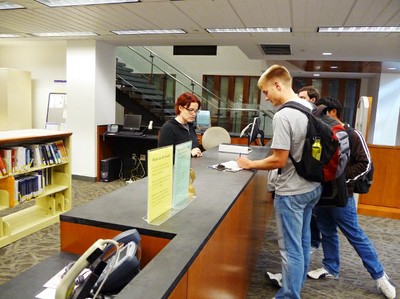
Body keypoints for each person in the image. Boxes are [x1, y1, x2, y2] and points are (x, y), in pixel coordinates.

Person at [237, 65, 322, 299]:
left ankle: (289, 295)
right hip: (312, 186)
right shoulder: (310, 107)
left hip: (292, 192)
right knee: (303, 242)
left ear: (277, 85)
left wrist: (251, 164)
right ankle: (296, 286)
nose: (266, 98)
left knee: (290, 249)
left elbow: (279, 159)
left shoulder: (284, 114)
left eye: (266, 92)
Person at [307, 97, 396, 299]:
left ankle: (380, 276)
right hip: (322, 194)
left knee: (355, 235)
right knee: (326, 231)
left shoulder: (353, 134)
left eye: (321, 114)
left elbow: (365, 164)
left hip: (341, 196)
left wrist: (340, 180)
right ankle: (330, 266)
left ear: (332, 113)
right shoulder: (321, 133)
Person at [297, 85, 322, 253]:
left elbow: (315, 153)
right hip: (310, 182)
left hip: (310, 181)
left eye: (303, 98)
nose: (299, 100)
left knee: (310, 220)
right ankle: (310, 243)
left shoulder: (315, 122)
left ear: (312, 100)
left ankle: (313, 243)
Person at [158, 92, 202, 157]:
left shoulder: (190, 126)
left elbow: (194, 147)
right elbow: (163, 157)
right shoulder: (168, 128)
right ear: (180, 108)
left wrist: (197, 151)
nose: (194, 114)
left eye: (195, 111)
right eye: (190, 110)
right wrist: (189, 154)